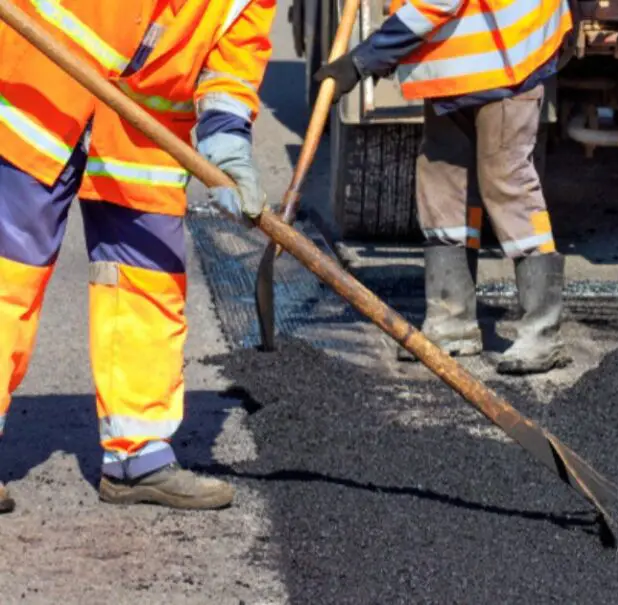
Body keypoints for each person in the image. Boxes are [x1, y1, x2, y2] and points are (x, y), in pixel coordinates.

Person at [0, 0, 276, 513]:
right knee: (6, 276)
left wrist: (226, 138)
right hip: (42, 92)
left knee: (147, 284)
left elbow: (232, 61)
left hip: (141, 134)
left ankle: (139, 458)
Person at [315, 0, 574, 376]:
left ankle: (543, 330)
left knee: (506, 180)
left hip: (508, 57)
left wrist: (364, 60)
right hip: (458, 64)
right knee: (441, 178)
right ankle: (451, 322)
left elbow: (437, 2)